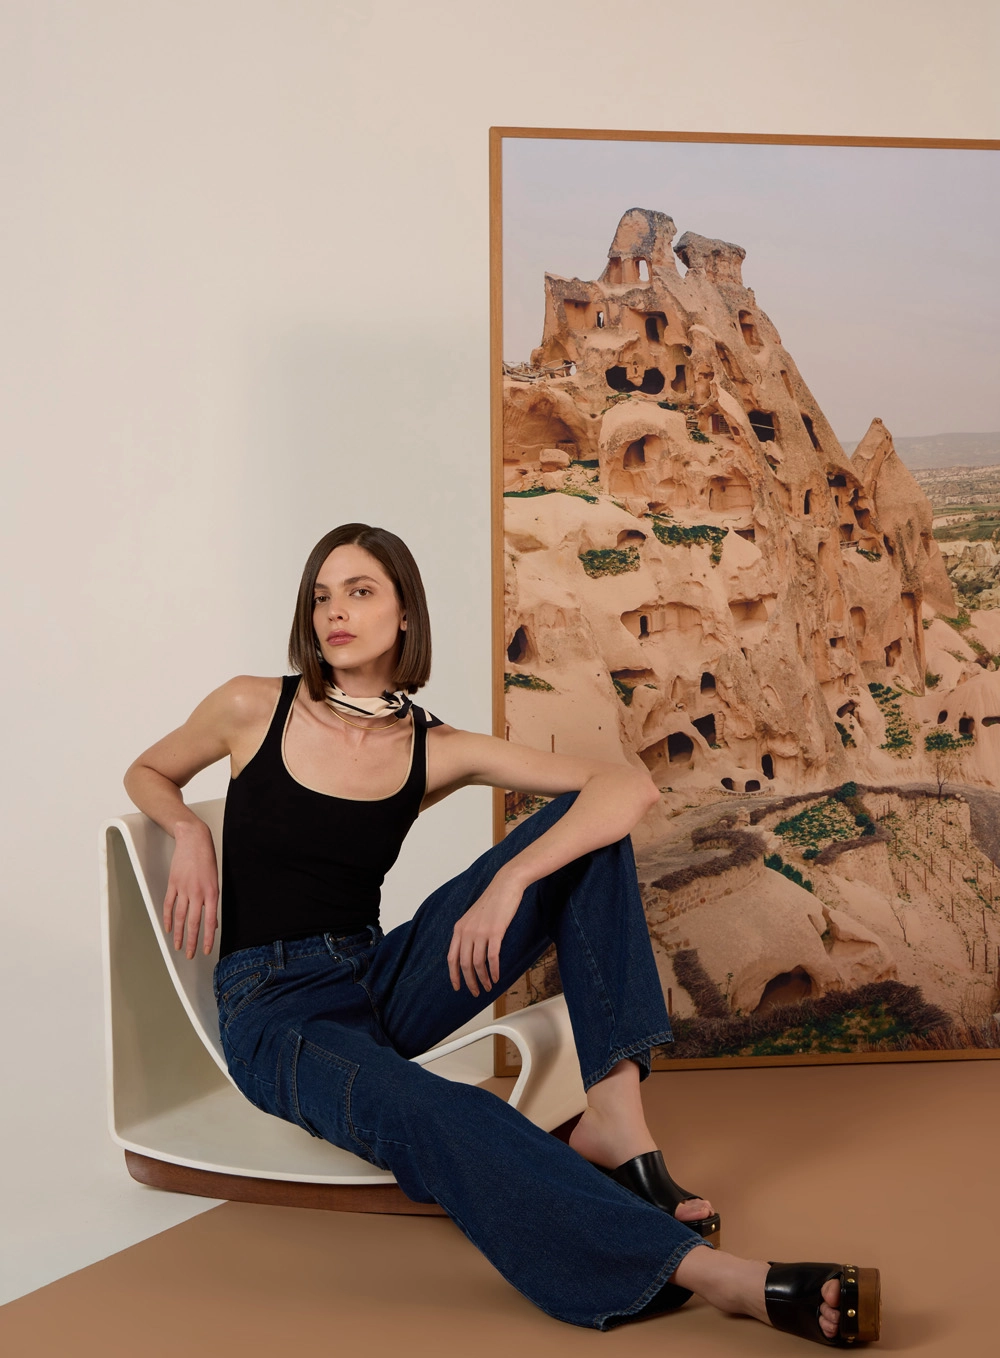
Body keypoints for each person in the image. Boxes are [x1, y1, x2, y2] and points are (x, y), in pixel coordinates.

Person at [124, 523, 879, 1344]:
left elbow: (624, 788)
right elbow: (148, 770)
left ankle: (617, 1121)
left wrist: (512, 878)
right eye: (321, 596)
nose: (334, 611)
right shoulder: (252, 706)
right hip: (275, 1012)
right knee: (446, 1110)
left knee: (588, 831)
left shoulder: (433, 748)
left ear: (405, 613)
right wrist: (189, 831)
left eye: (360, 591)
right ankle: (718, 1278)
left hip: (376, 977)